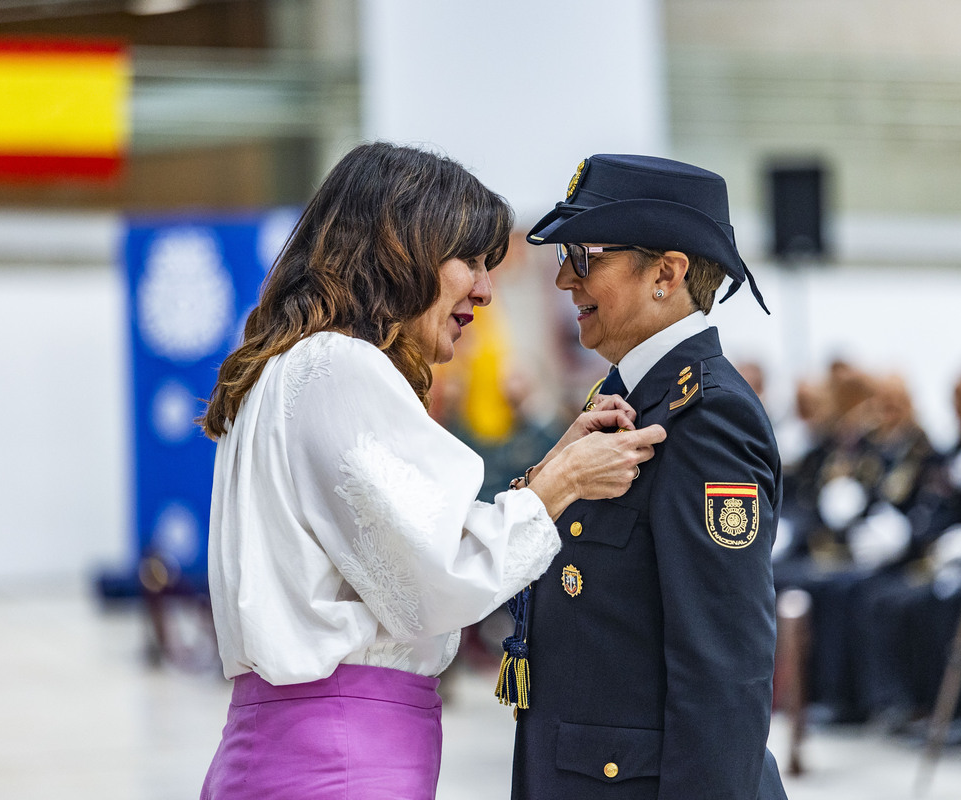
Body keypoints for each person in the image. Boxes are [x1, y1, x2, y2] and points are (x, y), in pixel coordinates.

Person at [196, 142, 666, 800]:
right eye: (469, 260)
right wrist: (567, 485)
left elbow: (391, 551)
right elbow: (432, 585)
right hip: (339, 757)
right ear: (398, 248)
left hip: (293, 745)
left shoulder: (291, 367)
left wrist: (546, 472)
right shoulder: (341, 366)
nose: (484, 288)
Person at [508, 153, 787, 799]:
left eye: (585, 258)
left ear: (666, 273)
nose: (564, 283)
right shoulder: (625, 396)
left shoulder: (706, 414)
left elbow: (723, 664)